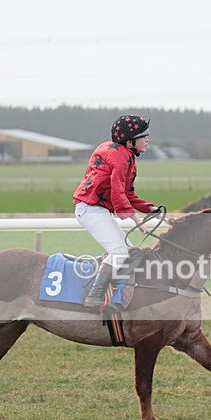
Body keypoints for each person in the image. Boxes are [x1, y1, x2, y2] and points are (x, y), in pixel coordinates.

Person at [73, 114, 158, 312]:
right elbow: (117, 192)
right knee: (119, 253)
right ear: (129, 141)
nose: (147, 140)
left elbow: (127, 193)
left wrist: (147, 207)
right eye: (143, 136)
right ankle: (94, 296)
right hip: (90, 210)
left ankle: (116, 293)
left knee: (132, 254)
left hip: (98, 210)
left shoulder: (125, 155)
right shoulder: (121, 157)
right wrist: (137, 220)